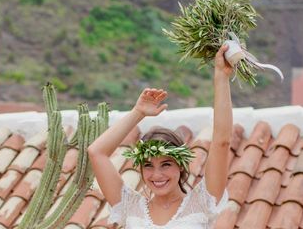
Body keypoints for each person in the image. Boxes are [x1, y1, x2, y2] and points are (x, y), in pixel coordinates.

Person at [88, 44, 233, 229]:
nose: (157, 175)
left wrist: (221, 76)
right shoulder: (130, 207)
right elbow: (96, 152)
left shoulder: (202, 202)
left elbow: (222, 141)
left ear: (180, 165)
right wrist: (138, 112)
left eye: (166, 164)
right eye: (148, 165)